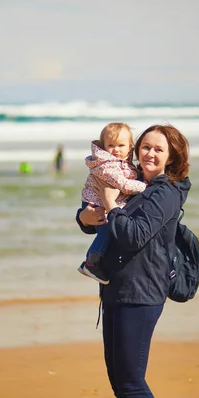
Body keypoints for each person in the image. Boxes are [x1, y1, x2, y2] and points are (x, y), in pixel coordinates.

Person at [76, 124, 191, 397]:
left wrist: (111, 203)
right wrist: (85, 217)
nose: (150, 153)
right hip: (115, 287)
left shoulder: (165, 192)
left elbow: (134, 236)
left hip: (141, 292)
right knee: (118, 380)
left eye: (158, 149)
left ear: (171, 157)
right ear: (136, 150)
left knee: (131, 384)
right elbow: (100, 223)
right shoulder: (130, 177)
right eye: (146, 147)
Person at [78, 122, 147, 284]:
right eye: (111, 145)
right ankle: (91, 262)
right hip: (95, 205)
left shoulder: (123, 163)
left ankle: (102, 261)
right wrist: (146, 187)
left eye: (121, 145)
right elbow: (123, 185)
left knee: (113, 231)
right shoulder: (106, 165)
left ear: (130, 147)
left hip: (104, 204)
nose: (116, 150)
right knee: (108, 230)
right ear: (103, 147)